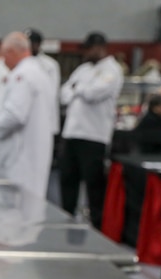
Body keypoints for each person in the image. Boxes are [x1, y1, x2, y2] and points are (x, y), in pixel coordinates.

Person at [59, 31, 124, 230]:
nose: (85, 53)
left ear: (100, 48)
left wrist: (77, 89)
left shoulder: (112, 70)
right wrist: (78, 89)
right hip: (71, 133)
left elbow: (93, 93)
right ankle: (65, 219)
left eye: (89, 49)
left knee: (94, 185)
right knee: (67, 180)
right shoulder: (82, 70)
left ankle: (98, 226)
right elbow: (63, 94)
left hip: (94, 136)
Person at [0, 32, 56, 196]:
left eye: (4, 56)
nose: (3, 61)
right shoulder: (38, 72)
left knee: (15, 212)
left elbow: (15, 115)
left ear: (12, 52)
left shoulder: (22, 75)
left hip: (20, 158)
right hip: (33, 154)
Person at [26, 28, 61, 136]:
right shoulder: (21, 62)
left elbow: (51, 94)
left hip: (44, 117)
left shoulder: (49, 65)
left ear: (38, 44)